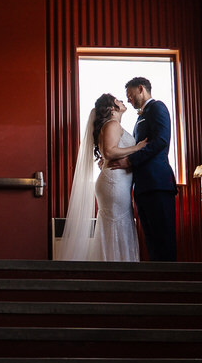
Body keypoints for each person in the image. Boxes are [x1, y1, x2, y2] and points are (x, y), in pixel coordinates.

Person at [58, 93, 140, 262]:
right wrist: (138, 147)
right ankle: (118, 270)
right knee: (117, 224)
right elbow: (109, 152)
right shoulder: (113, 124)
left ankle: (115, 268)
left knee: (115, 224)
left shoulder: (111, 125)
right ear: (112, 108)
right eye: (118, 100)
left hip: (116, 181)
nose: (123, 101)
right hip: (115, 182)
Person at [107, 76, 179, 261]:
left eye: (130, 95)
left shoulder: (157, 107)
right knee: (152, 241)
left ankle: (170, 282)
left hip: (158, 184)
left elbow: (161, 141)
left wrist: (130, 161)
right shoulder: (141, 117)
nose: (128, 99)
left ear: (141, 89)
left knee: (164, 239)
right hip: (142, 188)